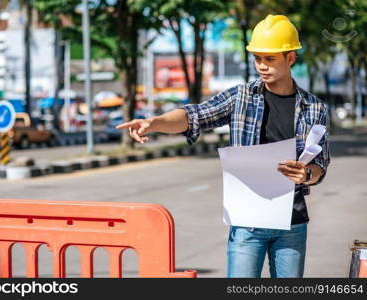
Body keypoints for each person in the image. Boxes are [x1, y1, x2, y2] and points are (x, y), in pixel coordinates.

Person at [115, 14, 330, 278]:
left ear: (290, 58)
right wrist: (155, 122)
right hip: (247, 223)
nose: (262, 66)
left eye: (270, 59)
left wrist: (307, 174)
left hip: (292, 222)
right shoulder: (240, 97)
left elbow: (321, 164)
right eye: (258, 58)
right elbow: (194, 115)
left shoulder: (315, 108)